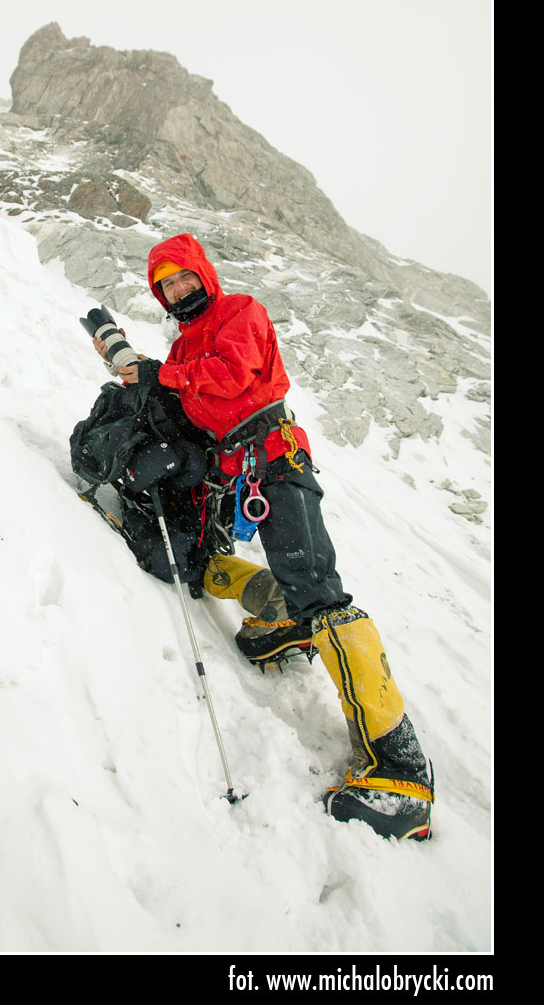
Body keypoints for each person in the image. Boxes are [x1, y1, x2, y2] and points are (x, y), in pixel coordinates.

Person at [85, 232, 433, 842]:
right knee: (227, 563)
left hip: (275, 457)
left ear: (204, 275)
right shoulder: (185, 340)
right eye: (164, 285)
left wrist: (161, 374)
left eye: (183, 278)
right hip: (239, 469)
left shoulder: (237, 312)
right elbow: (187, 397)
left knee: (320, 591)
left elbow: (227, 374)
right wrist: (133, 375)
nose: (177, 290)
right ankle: (278, 626)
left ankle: (401, 774)